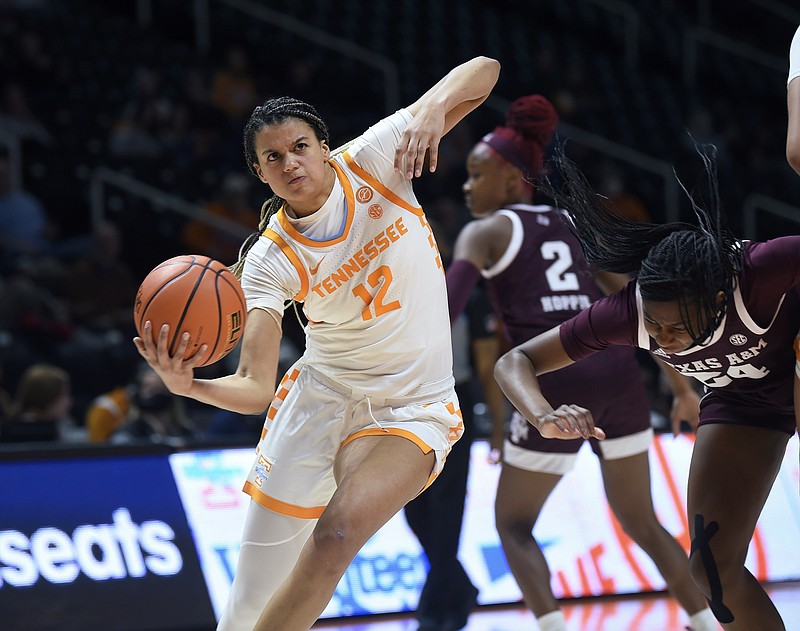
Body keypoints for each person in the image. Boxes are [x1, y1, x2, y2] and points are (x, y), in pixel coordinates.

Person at [134, 56, 501, 631]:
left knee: (335, 536)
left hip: (414, 405)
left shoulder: (377, 157)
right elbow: (255, 388)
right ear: (260, 174)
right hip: (321, 401)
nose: (290, 163)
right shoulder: (268, 259)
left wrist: (428, 111)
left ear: (323, 145)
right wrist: (190, 385)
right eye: (273, 158)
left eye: (300, 146)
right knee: (249, 604)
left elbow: (486, 71)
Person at [493, 140, 800, 630]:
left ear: (719, 299)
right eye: (654, 330)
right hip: (744, 406)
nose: (665, 341)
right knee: (710, 569)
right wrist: (541, 415)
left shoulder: (764, 269)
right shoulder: (626, 314)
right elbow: (516, 361)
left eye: (676, 328)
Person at [446, 94, 717, 631]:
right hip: (618, 375)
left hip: (549, 380)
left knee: (515, 526)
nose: (467, 186)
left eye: (476, 175)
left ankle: (553, 625)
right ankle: (707, 621)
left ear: (508, 178)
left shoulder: (483, 231)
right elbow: (639, 305)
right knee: (643, 521)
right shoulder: (574, 221)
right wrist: (682, 388)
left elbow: (447, 308)